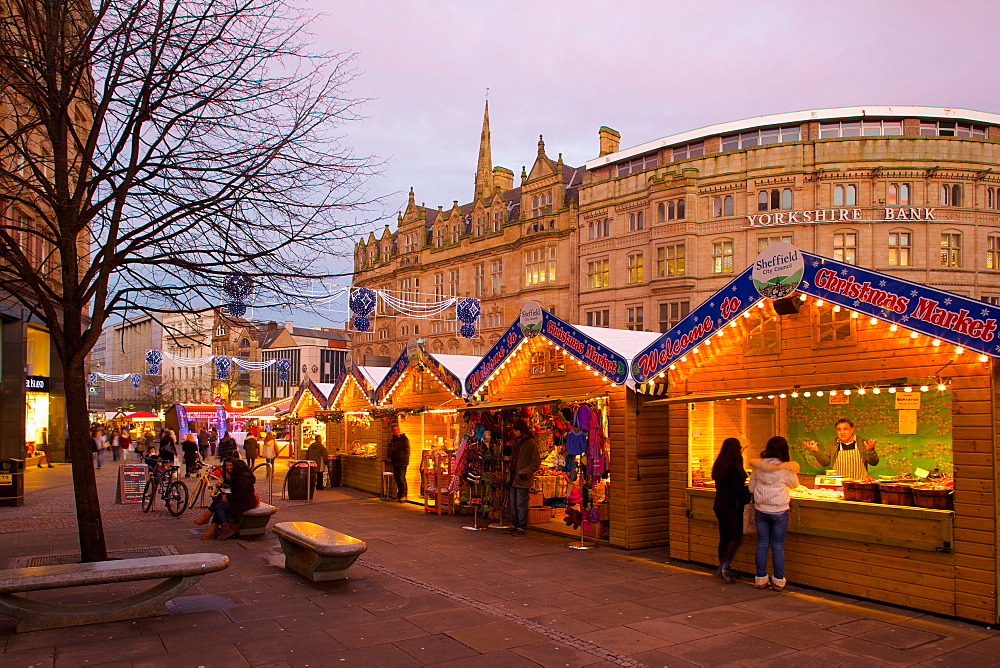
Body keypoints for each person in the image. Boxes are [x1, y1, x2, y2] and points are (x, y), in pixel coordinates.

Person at [749, 436, 800, 591]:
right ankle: (778, 580)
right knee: (777, 546)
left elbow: (751, 488)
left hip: (761, 510)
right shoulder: (785, 468)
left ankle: (761, 579)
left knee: (762, 545)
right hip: (779, 511)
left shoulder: (758, 466)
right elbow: (795, 484)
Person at [711, 437, 749, 584]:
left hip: (720, 506)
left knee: (724, 537)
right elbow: (737, 490)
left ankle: (723, 565)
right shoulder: (734, 468)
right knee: (735, 537)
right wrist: (748, 492)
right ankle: (725, 565)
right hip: (733, 507)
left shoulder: (720, 464)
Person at [194, 457, 258, 540]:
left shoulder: (242, 479)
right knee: (218, 500)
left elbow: (241, 495)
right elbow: (234, 490)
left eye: (232, 466)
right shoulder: (238, 476)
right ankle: (211, 526)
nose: (229, 468)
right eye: (227, 466)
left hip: (244, 503)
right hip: (241, 500)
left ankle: (220, 527)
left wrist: (228, 497)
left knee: (219, 506)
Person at [803, 418, 879, 480]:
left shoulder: (863, 442)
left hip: (859, 483)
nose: (842, 432)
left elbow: (874, 462)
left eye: (845, 429)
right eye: (839, 429)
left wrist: (870, 450)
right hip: (838, 483)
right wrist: (816, 451)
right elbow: (824, 463)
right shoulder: (832, 443)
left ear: (852, 430)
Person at [506, 419, 541, 537]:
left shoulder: (530, 443)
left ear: (521, 430)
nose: (514, 432)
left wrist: (524, 472)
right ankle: (514, 524)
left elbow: (535, 463)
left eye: (516, 430)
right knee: (513, 503)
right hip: (513, 476)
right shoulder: (516, 443)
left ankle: (521, 526)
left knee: (521, 504)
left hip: (522, 478)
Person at [387, 422, 410, 502]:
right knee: (397, 479)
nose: (395, 431)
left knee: (401, 478)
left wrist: (406, 461)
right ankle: (399, 495)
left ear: (399, 429)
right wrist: (389, 457)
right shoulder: (392, 438)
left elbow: (407, 450)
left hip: (402, 461)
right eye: (393, 430)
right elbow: (390, 449)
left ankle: (404, 495)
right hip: (395, 461)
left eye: (396, 429)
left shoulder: (403, 438)